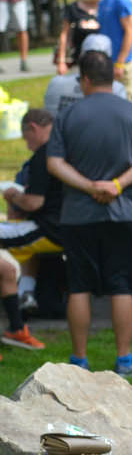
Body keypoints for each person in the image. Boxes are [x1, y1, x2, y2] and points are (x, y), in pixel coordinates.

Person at [45, 51, 132, 374]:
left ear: (84, 79)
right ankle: (125, 358)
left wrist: (88, 186)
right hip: (121, 212)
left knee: (79, 286)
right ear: (114, 77)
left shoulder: (68, 116)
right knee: (121, 286)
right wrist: (117, 185)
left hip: (77, 215)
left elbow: (53, 163)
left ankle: (79, 360)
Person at [0, 108, 61, 352]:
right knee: (6, 268)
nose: (27, 145)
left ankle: (17, 325)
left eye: (26, 138)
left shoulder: (42, 156)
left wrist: (14, 196)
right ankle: (17, 325)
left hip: (49, 228)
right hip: (66, 226)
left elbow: (35, 203)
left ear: (33, 129)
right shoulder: (62, 148)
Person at [55, 0, 103, 77]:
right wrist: (61, 61)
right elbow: (64, 35)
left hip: (103, 61)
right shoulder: (74, 9)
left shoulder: (104, 6)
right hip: (79, 61)